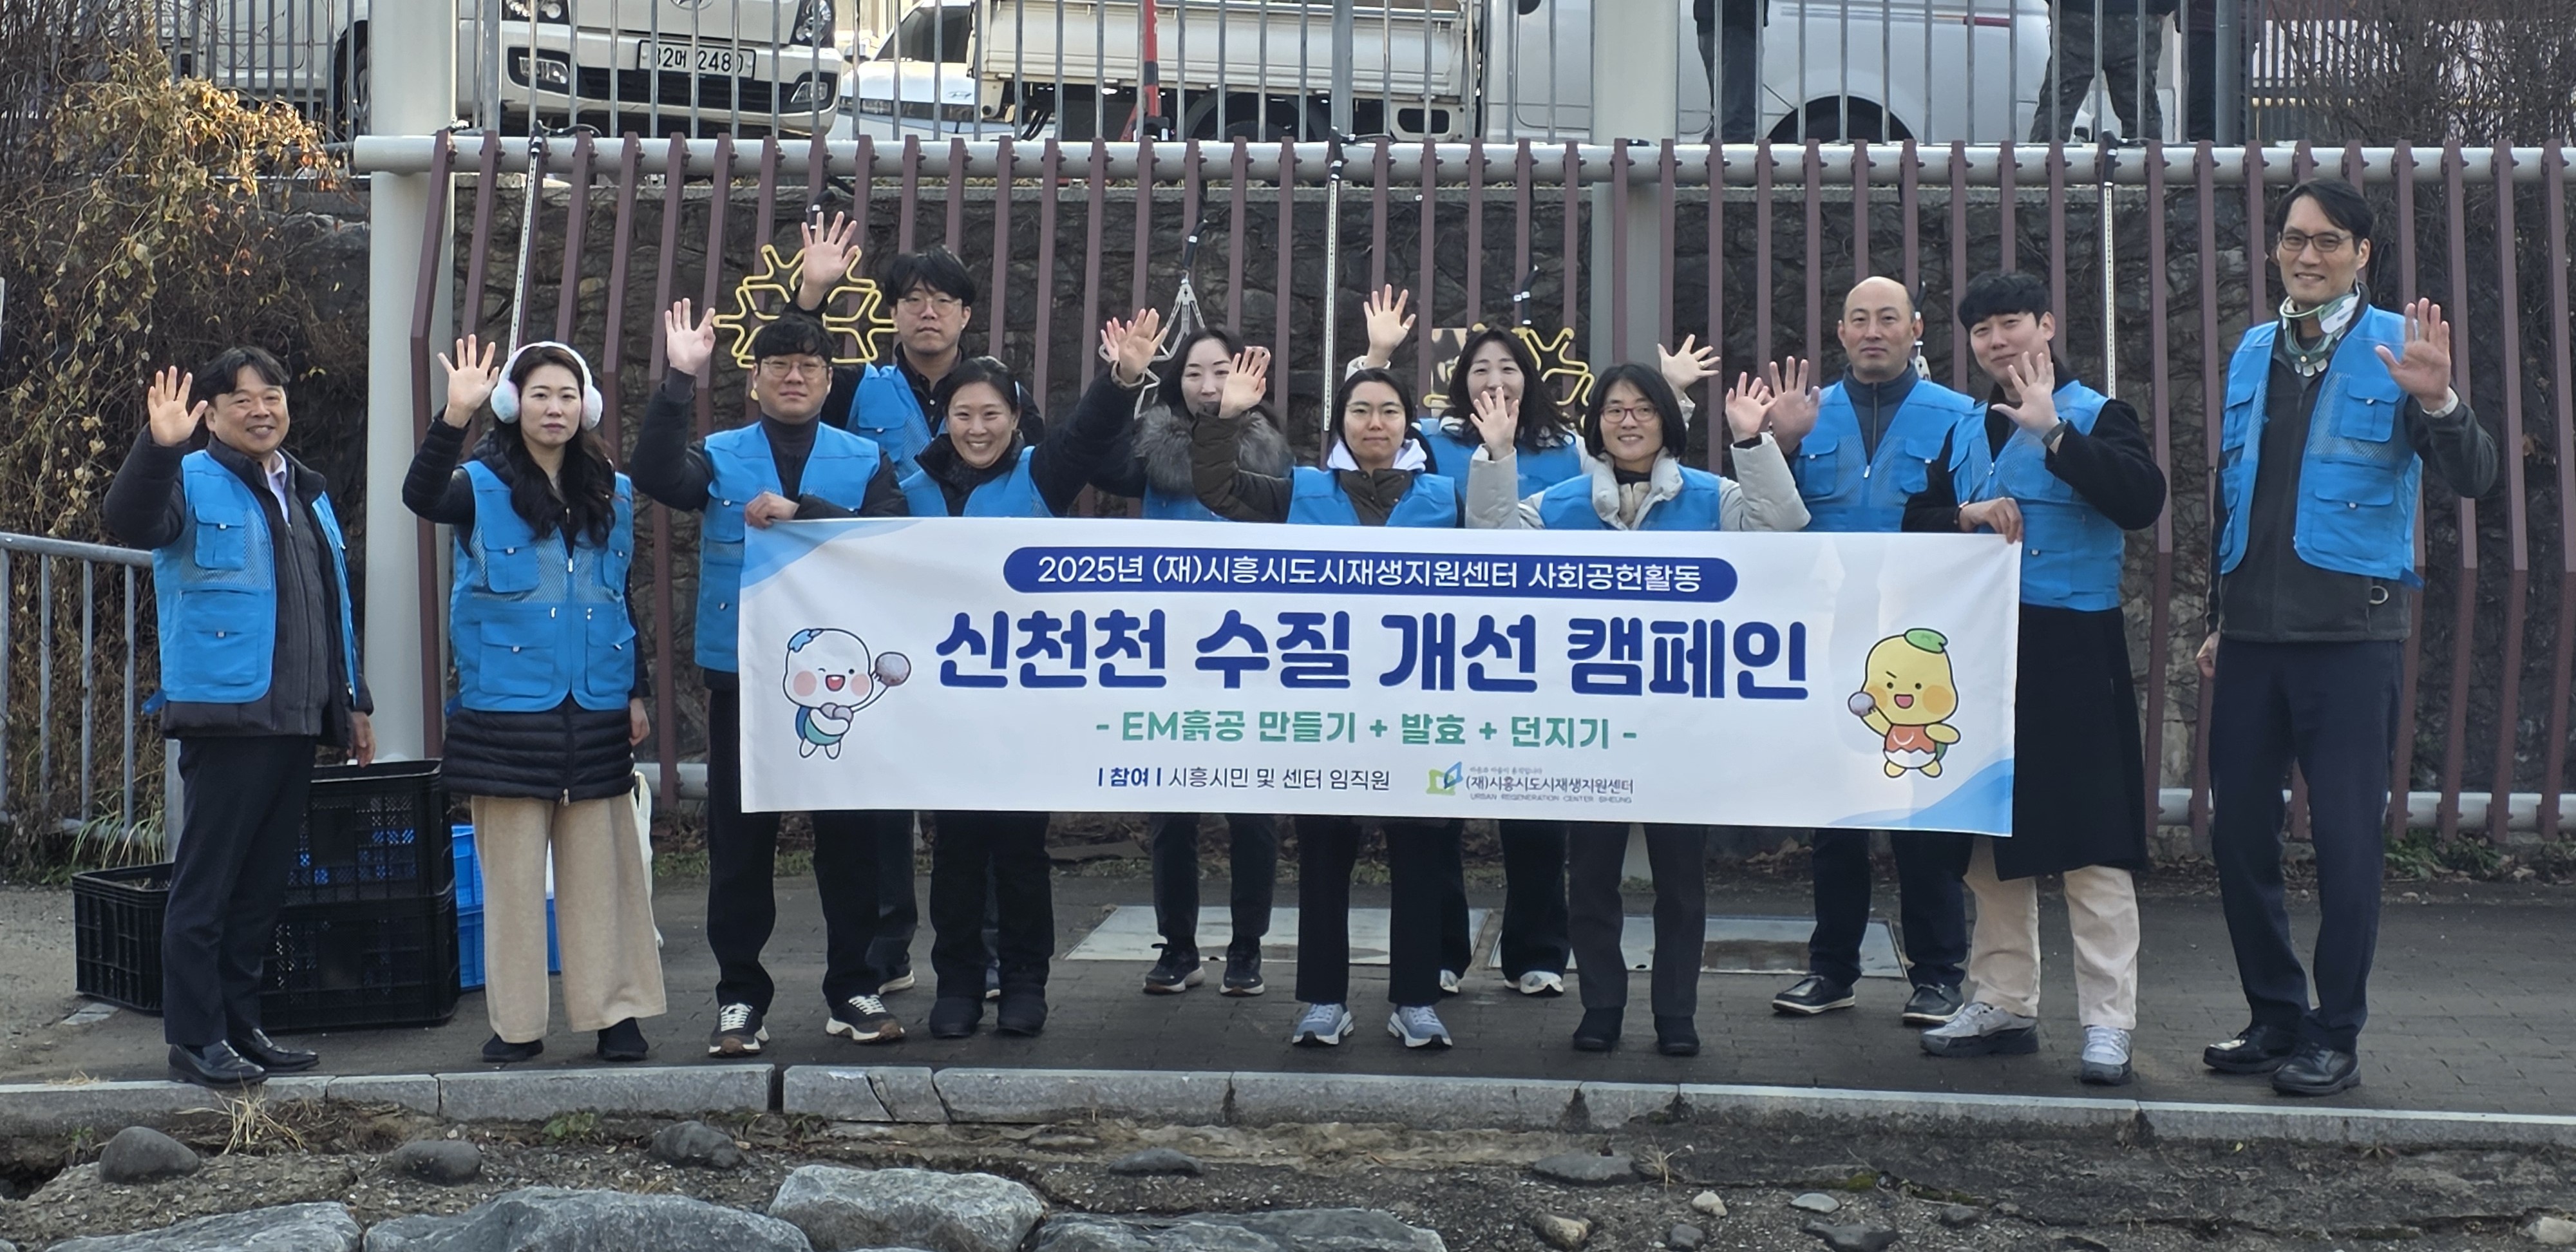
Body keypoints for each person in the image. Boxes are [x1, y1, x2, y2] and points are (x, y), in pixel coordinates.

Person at [2197, 178, 2496, 1096]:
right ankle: (2275, 1015)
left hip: (2351, 638)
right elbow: (2232, 491)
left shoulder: (2399, 347)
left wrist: (2441, 404)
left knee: (2346, 845)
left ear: (2362, 254)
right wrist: (2217, 618)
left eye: (2328, 241)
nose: (2308, 255)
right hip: (2251, 638)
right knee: (2236, 835)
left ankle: (2335, 1032)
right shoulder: (2254, 350)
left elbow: (2475, 476)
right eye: (2294, 239)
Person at [1466, 363, 1810, 1055]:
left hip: (1682, 726)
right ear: (1595, 423)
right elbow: (1492, 548)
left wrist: (1752, 443)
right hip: (1590, 727)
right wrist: (1497, 458)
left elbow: (1781, 529)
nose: (1629, 421)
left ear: (1667, 419)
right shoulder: (1558, 504)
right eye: (1614, 409)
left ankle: (1676, 1015)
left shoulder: (1713, 496)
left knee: (1681, 883)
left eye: (1643, 409)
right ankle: (1601, 1007)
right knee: (1591, 879)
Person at [806, 346, 1126, 1037]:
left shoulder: (1040, 476)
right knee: (955, 852)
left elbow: (1089, 435)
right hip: (940, 705)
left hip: (1022, 704)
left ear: (1016, 418)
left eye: (991, 414)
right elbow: (860, 540)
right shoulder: (911, 487)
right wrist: (797, 509)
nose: (977, 428)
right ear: (942, 419)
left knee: (1020, 851)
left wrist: (1122, 378)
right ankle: (956, 983)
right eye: (962, 414)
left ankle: (1025, 983)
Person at [1899, 272, 2166, 1085]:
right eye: (1981, 330)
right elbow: (1914, 523)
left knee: (2092, 843)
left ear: (2046, 325)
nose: (1996, 341)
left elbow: (2141, 500)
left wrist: (2054, 435)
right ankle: (2003, 1002)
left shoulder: (2098, 413)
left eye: (2010, 323)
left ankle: (2108, 1021)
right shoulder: (1963, 429)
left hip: (2074, 650)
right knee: (1986, 836)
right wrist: (1965, 516)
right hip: (1981, 654)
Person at [633, 300, 912, 1056]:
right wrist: (678, 381)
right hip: (744, 678)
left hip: (842, 684)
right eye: (779, 365)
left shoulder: (863, 458)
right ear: (754, 380)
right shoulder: (720, 454)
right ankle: (738, 997)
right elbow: (655, 472)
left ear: (827, 379)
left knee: (850, 842)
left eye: (808, 366)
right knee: (740, 843)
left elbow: (890, 542)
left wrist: (804, 511)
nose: (794, 377)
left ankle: (853, 987)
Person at [104, 348, 374, 1088]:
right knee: (208, 887)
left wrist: (354, 701)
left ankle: (240, 1026)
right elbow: (131, 520)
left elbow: (332, 604)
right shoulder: (188, 477)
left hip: (297, 716)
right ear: (213, 415)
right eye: (242, 399)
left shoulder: (306, 490)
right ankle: (195, 1040)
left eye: (272, 395)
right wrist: (157, 446)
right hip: (227, 715)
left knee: (259, 889)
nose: (261, 410)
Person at [791, 215, 1041, 995]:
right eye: (911, 300)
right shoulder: (859, 388)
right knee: (883, 788)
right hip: (883, 618)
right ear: (891, 312)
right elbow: (795, 382)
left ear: (966, 314)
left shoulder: (1002, 394)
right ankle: (887, 946)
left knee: (982, 796)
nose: (926, 312)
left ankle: (989, 953)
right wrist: (811, 295)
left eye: (942, 300)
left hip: (983, 630)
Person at [1193, 355, 1468, 1049]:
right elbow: (1216, 487)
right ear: (1340, 423)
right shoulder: (1300, 491)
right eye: (1360, 411)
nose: (1375, 423)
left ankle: (1415, 1001)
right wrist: (1226, 420)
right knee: (1322, 853)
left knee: (1421, 857)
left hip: (1416, 706)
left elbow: (1502, 547)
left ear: (1409, 425)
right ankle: (1323, 1000)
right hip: (1325, 707)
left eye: (1389, 411)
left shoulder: (1444, 500)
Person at [406, 336, 667, 1065]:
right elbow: (420, 496)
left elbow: (617, 597)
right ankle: (517, 1025)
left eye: (568, 395)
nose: (555, 408)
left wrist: (637, 690)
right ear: (512, 404)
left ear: (588, 407)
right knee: (514, 883)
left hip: (596, 706)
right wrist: (453, 416)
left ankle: (615, 1014)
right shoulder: (476, 484)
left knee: (604, 875)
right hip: (504, 711)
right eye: (540, 395)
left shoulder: (612, 490)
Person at [1768, 276, 1978, 1028]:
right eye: (1858, 319)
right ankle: (1832, 970)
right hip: (1828, 634)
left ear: (1915, 329)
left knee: (1926, 813)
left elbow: (1970, 520)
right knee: (1837, 812)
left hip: (1921, 641)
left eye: (1888, 318)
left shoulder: (1959, 416)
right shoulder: (1804, 413)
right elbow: (1765, 516)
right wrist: (1777, 444)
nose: (1872, 331)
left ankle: (1938, 974)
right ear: (1840, 332)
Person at [1082, 316, 1289, 998]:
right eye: (1194, 372)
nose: (1208, 384)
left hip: (1250, 656)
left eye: (1221, 370)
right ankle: (1178, 947)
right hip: (1169, 655)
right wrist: (1120, 381)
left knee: (1252, 813)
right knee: (1172, 814)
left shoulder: (1272, 452)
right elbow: (1095, 461)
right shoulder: (1153, 447)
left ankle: (1247, 948)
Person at [2030, 0, 2175, 142]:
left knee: (2057, 109)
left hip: (2076, 16)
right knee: (2141, 114)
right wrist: (2163, 7)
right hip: (2136, 17)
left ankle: (2047, 156)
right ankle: (2146, 155)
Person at [1694, 0, 1765, 142]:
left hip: (1723, 19)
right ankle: (1725, 152)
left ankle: (1716, 151)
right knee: (1736, 123)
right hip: (1734, 20)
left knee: (1728, 119)